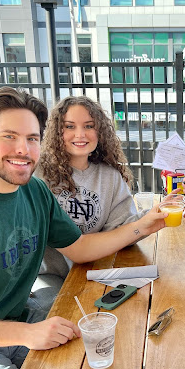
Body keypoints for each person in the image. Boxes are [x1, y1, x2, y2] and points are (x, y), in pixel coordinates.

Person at [0, 87, 167, 369]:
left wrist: (144, 226)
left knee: (110, 355)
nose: (23, 149)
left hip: (18, 320)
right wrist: (25, 334)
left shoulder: (35, 190)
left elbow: (80, 249)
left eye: (32, 138)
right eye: (9, 136)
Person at [35, 95, 141, 282]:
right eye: (70, 126)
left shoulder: (110, 176)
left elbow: (123, 230)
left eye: (89, 126)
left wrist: (153, 216)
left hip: (97, 270)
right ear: (57, 132)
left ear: (100, 131)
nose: (80, 134)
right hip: (49, 277)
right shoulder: (38, 175)